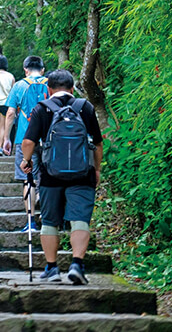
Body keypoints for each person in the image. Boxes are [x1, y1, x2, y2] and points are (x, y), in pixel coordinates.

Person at [20, 69, 103, 285]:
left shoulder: (42, 108)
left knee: (49, 221)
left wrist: (26, 161)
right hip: (82, 173)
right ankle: (76, 264)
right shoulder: (85, 107)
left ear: (48, 90)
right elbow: (98, 142)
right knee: (80, 219)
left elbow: (28, 142)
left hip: (50, 174)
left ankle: (52, 268)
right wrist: (96, 170)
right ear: (72, 88)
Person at [3, 56, 48, 232]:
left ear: (25, 69)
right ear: (42, 69)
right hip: (47, 138)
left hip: (24, 139)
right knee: (47, 176)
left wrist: (6, 138)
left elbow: (10, 113)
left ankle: (31, 222)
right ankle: (47, 215)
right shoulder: (50, 84)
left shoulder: (19, 85)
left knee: (28, 179)